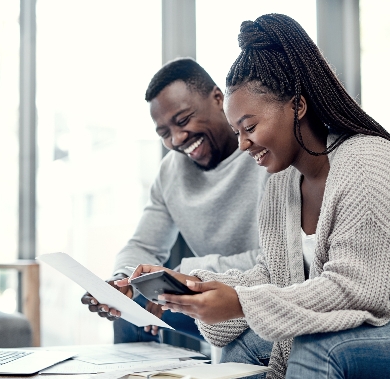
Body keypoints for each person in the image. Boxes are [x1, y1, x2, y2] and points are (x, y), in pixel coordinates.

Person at [119, 14, 390, 379]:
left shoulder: (368, 163)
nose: (243, 144)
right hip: (384, 311)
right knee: (245, 342)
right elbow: (274, 276)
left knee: (318, 347)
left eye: (250, 126)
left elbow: (356, 290)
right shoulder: (281, 183)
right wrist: (198, 284)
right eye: (237, 130)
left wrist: (241, 303)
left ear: (298, 105)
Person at [81, 58, 270, 343]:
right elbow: (143, 245)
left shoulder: (265, 153)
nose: (178, 138)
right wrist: (122, 283)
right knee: (130, 312)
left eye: (183, 120)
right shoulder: (171, 171)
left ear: (218, 98)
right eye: (164, 133)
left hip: (257, 296)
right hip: (201, 293)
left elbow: (275, 261)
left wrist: (184, 275)